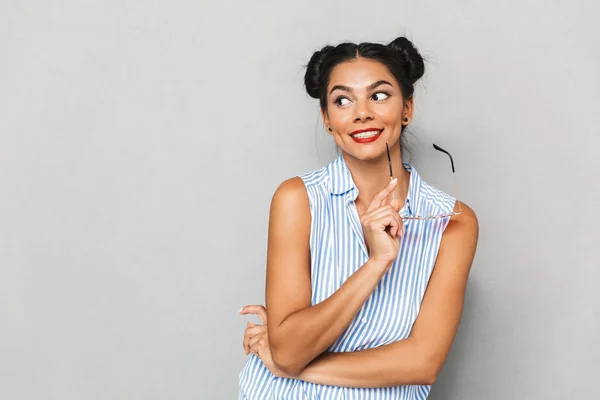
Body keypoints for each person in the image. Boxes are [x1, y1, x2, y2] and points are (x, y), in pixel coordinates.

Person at [237, 36, 479, 399]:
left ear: (407, 108)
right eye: (342, 100)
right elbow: (289, 351)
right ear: (327, 119)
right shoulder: (298, 199)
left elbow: (422, 363)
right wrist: (377, 262)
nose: (361, 112)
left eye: (379, 95)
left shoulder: (452, 221)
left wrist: (292, 364)